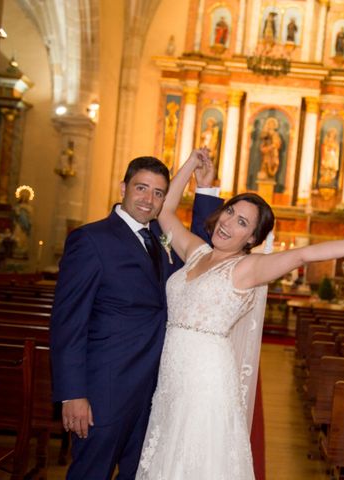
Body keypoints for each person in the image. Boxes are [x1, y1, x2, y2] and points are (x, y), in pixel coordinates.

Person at [136, 148, 344, 479]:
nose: (227, 223)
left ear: (252, 238)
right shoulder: (196, 252)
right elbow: (164, 210)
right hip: (172, 374)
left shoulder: (247, 268)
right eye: (230, 212)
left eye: (241, 223)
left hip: (205, 378)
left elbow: (304, 255)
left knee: (196, 457)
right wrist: (191, 165)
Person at [49, 156, 222, 479]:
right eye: (141, 188)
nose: (149, 199)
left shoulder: (159, 237)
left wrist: (206, 188)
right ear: (123, 188)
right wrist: (72, 393)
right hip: (106, 390)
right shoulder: (91, 240)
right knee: (92, 473)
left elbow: (199, 251)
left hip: (154, 391)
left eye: (158, 193)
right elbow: (68, 323)